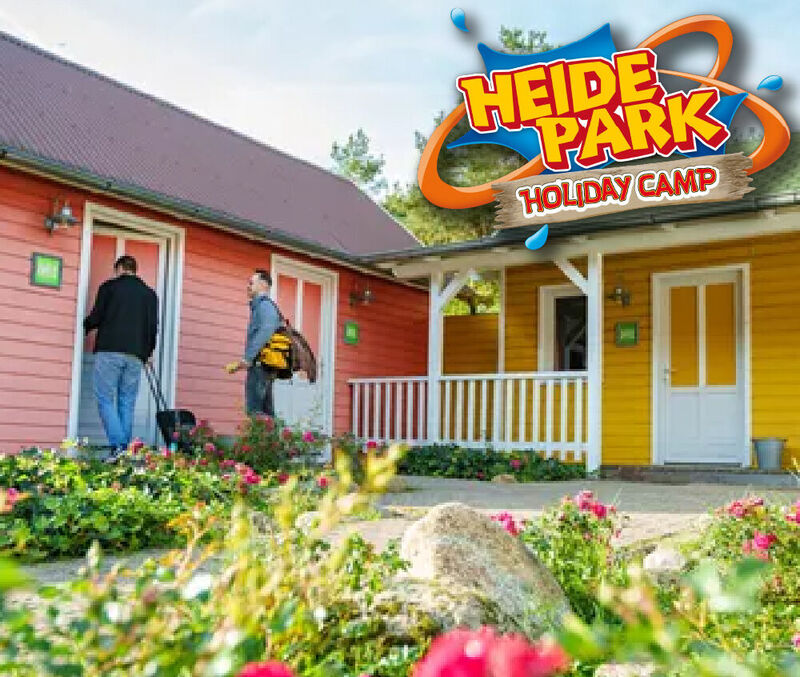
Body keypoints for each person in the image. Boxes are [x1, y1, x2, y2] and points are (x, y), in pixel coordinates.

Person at [83, 255, 158, 460]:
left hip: (110, 350)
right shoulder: (150, 295)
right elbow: (152, 327)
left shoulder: (109, 287)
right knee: (127, 401)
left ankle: (119, 447)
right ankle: (124, 452)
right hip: (135, 355)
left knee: (105, 398)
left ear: (120, 268)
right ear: (134, 269)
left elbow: (96, 317)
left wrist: (83, 327)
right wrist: (148, 352)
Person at [225, 269, 281, 416]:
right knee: (266, 413)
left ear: (263, 285)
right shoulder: (260, 306)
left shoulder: (265, 305)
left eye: (251, 283)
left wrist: (248, 357)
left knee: (255, 411)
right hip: (263, 365)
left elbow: (266, 330)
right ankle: (271, 432)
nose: (248, 286)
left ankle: (263, 431)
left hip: (260, 366)